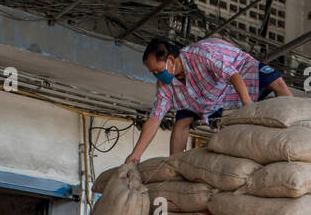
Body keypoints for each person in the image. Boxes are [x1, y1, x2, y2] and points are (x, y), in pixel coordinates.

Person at [125, 37, 292, 164]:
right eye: (153, 72)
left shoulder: (201, 55)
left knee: (277, 83)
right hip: (206, 95)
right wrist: (136, 154)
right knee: (181, 124)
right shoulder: (164, 85)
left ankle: (292, 128)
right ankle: (175, 164)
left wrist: (249, 108)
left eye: (157, 70)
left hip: (238, 68)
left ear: (170, 60)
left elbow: (233, 75)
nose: (156, 75)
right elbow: (155, 119)